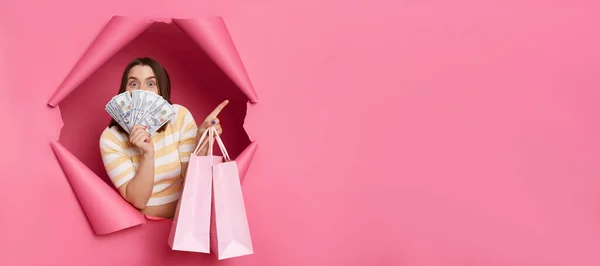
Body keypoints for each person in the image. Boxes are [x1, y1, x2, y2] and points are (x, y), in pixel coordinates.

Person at [99, 57, 229, 219]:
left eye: (150, 83)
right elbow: (138, 200)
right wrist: (147, 154)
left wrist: (202, 141)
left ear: (161, 89)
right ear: (124, 91)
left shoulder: (179, 117)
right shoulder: (111, 138)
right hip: (142, 227)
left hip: (184, 222)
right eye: (133, 84)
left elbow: (192, 183)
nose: (141, 91)